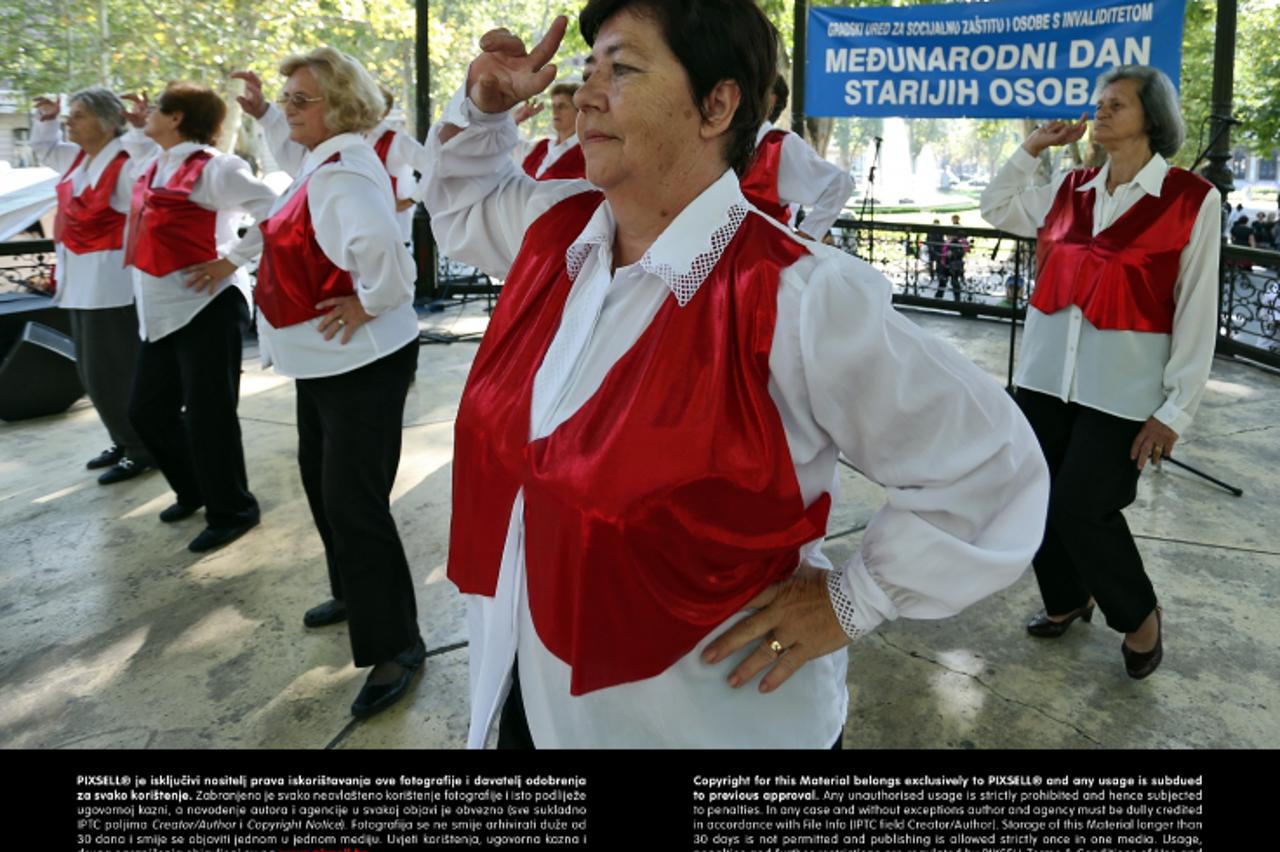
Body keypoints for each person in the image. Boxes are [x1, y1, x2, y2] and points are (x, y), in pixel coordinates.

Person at [425, 0, 1048, 748]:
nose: (585, 94)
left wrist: (853, 600)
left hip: (701, 722)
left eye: (621, 69)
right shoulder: (558, 236)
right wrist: (486, 111)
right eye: (589, 69)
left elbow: (994, 467)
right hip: (532, 691)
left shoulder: (797, 296)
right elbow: (460, 201)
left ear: (716, 105)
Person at [187, 47, 424, 717]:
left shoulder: (343, 174)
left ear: (341, 107)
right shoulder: (321, 160)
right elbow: (285, 213)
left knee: (355, 503)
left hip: (362, 363)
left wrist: (369, 301)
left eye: (299, 99)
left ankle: (397, 644)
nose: (287, 108)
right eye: (288, 98)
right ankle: (354, 592)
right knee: (324, 484)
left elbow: (390, 264)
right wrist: (264, 113)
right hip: (324, 364)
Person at [980, 64, 1221, 679]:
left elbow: (1197, 308)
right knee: (1031, 498)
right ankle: (1066, 599)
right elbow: (996, 206)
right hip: (1042, 380)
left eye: (1117, 104)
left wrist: (1174, 409)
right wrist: (1035, 145)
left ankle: (1139, 615)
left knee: (1083, 506)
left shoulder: (1192, 200)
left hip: (1122, 393)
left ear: (1152, 119)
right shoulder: (1071, 188)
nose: (1101, 111)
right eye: (1100, 103)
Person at [122, 83, 278, 553]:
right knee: (146, 411)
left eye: (156, 109)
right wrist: (136, 128)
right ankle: (194, 489)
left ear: (177, 117)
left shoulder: (217, 167)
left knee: (210, 416)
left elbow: (274, 208)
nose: (146, 113)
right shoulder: (154, 163)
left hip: (208, 306)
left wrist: (231, 258)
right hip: (161, 310)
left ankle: (232, 509)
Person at [30, 89, 155, 484]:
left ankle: (141, 447)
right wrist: (47, 118)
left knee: (113, 372)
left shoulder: (125, 160)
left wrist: (139, 127)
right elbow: (45, 150)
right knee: (91, 372)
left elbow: (151, 166)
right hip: (79, 282)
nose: (71, 122)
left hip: (110, 284)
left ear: (105, 121)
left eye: (78, 116)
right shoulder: (79, 158)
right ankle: (121, 438)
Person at [231, 69, 429, 245]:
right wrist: (263, 113)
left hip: (383, 238)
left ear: (382, 110)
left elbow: (434, 167)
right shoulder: (331, 144)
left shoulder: (395, 142)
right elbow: (295, 161)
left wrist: (411, 200)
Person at [739, 74, 853, 241]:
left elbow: (840, 184)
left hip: (763, 262)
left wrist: (807, 236)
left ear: (770, 100)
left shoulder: (780, 146)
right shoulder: (728, 144)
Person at [513, 82, 586, 180]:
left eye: (561, 106)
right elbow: (501, 146)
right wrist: (516, 120)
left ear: (579, 112)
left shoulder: (587, 153)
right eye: (553, 106)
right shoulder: (539, 147)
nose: (555, 111)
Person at [935, 213, 969, 301]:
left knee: (953, 282)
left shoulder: (958, 241)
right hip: (948, 263)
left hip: (954, 264)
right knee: (945, 281)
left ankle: (949, 298)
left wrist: (951, 254)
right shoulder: (950, 241)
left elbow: (961, 252)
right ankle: (940, 297)